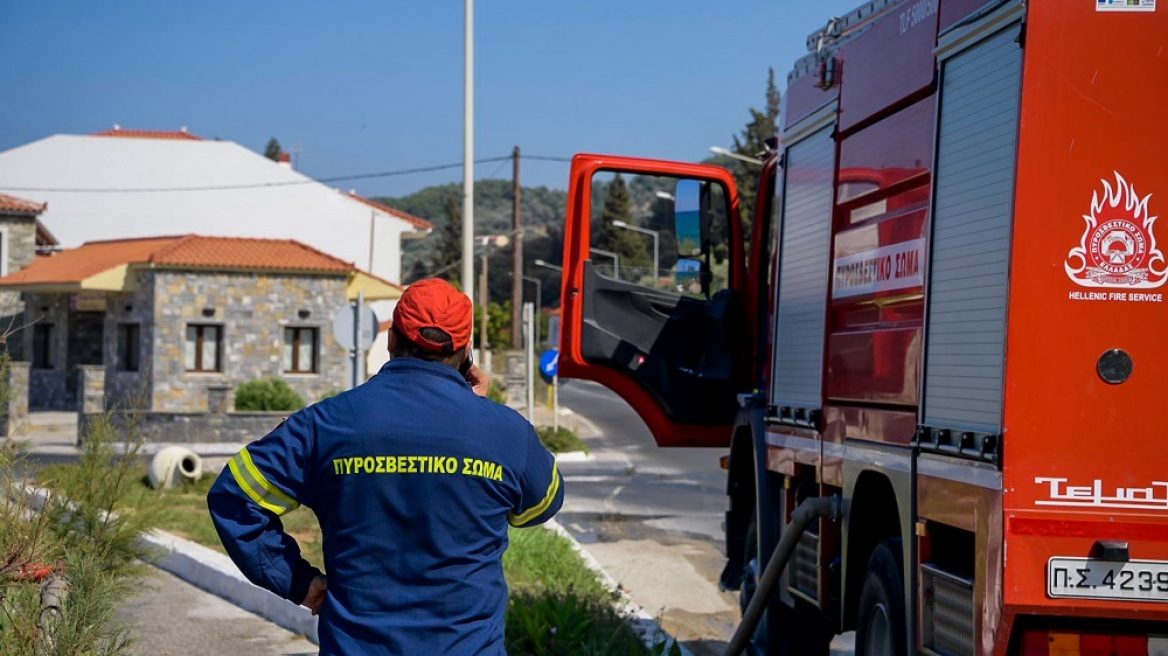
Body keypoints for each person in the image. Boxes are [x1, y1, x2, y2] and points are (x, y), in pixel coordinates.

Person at [207, 278, 565, 655]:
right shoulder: (506, 431)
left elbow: (235, 498)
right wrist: (480, 412)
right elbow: (541, 505)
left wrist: (300, 583)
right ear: (466, 352)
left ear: (392, 339)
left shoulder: (324, 424)